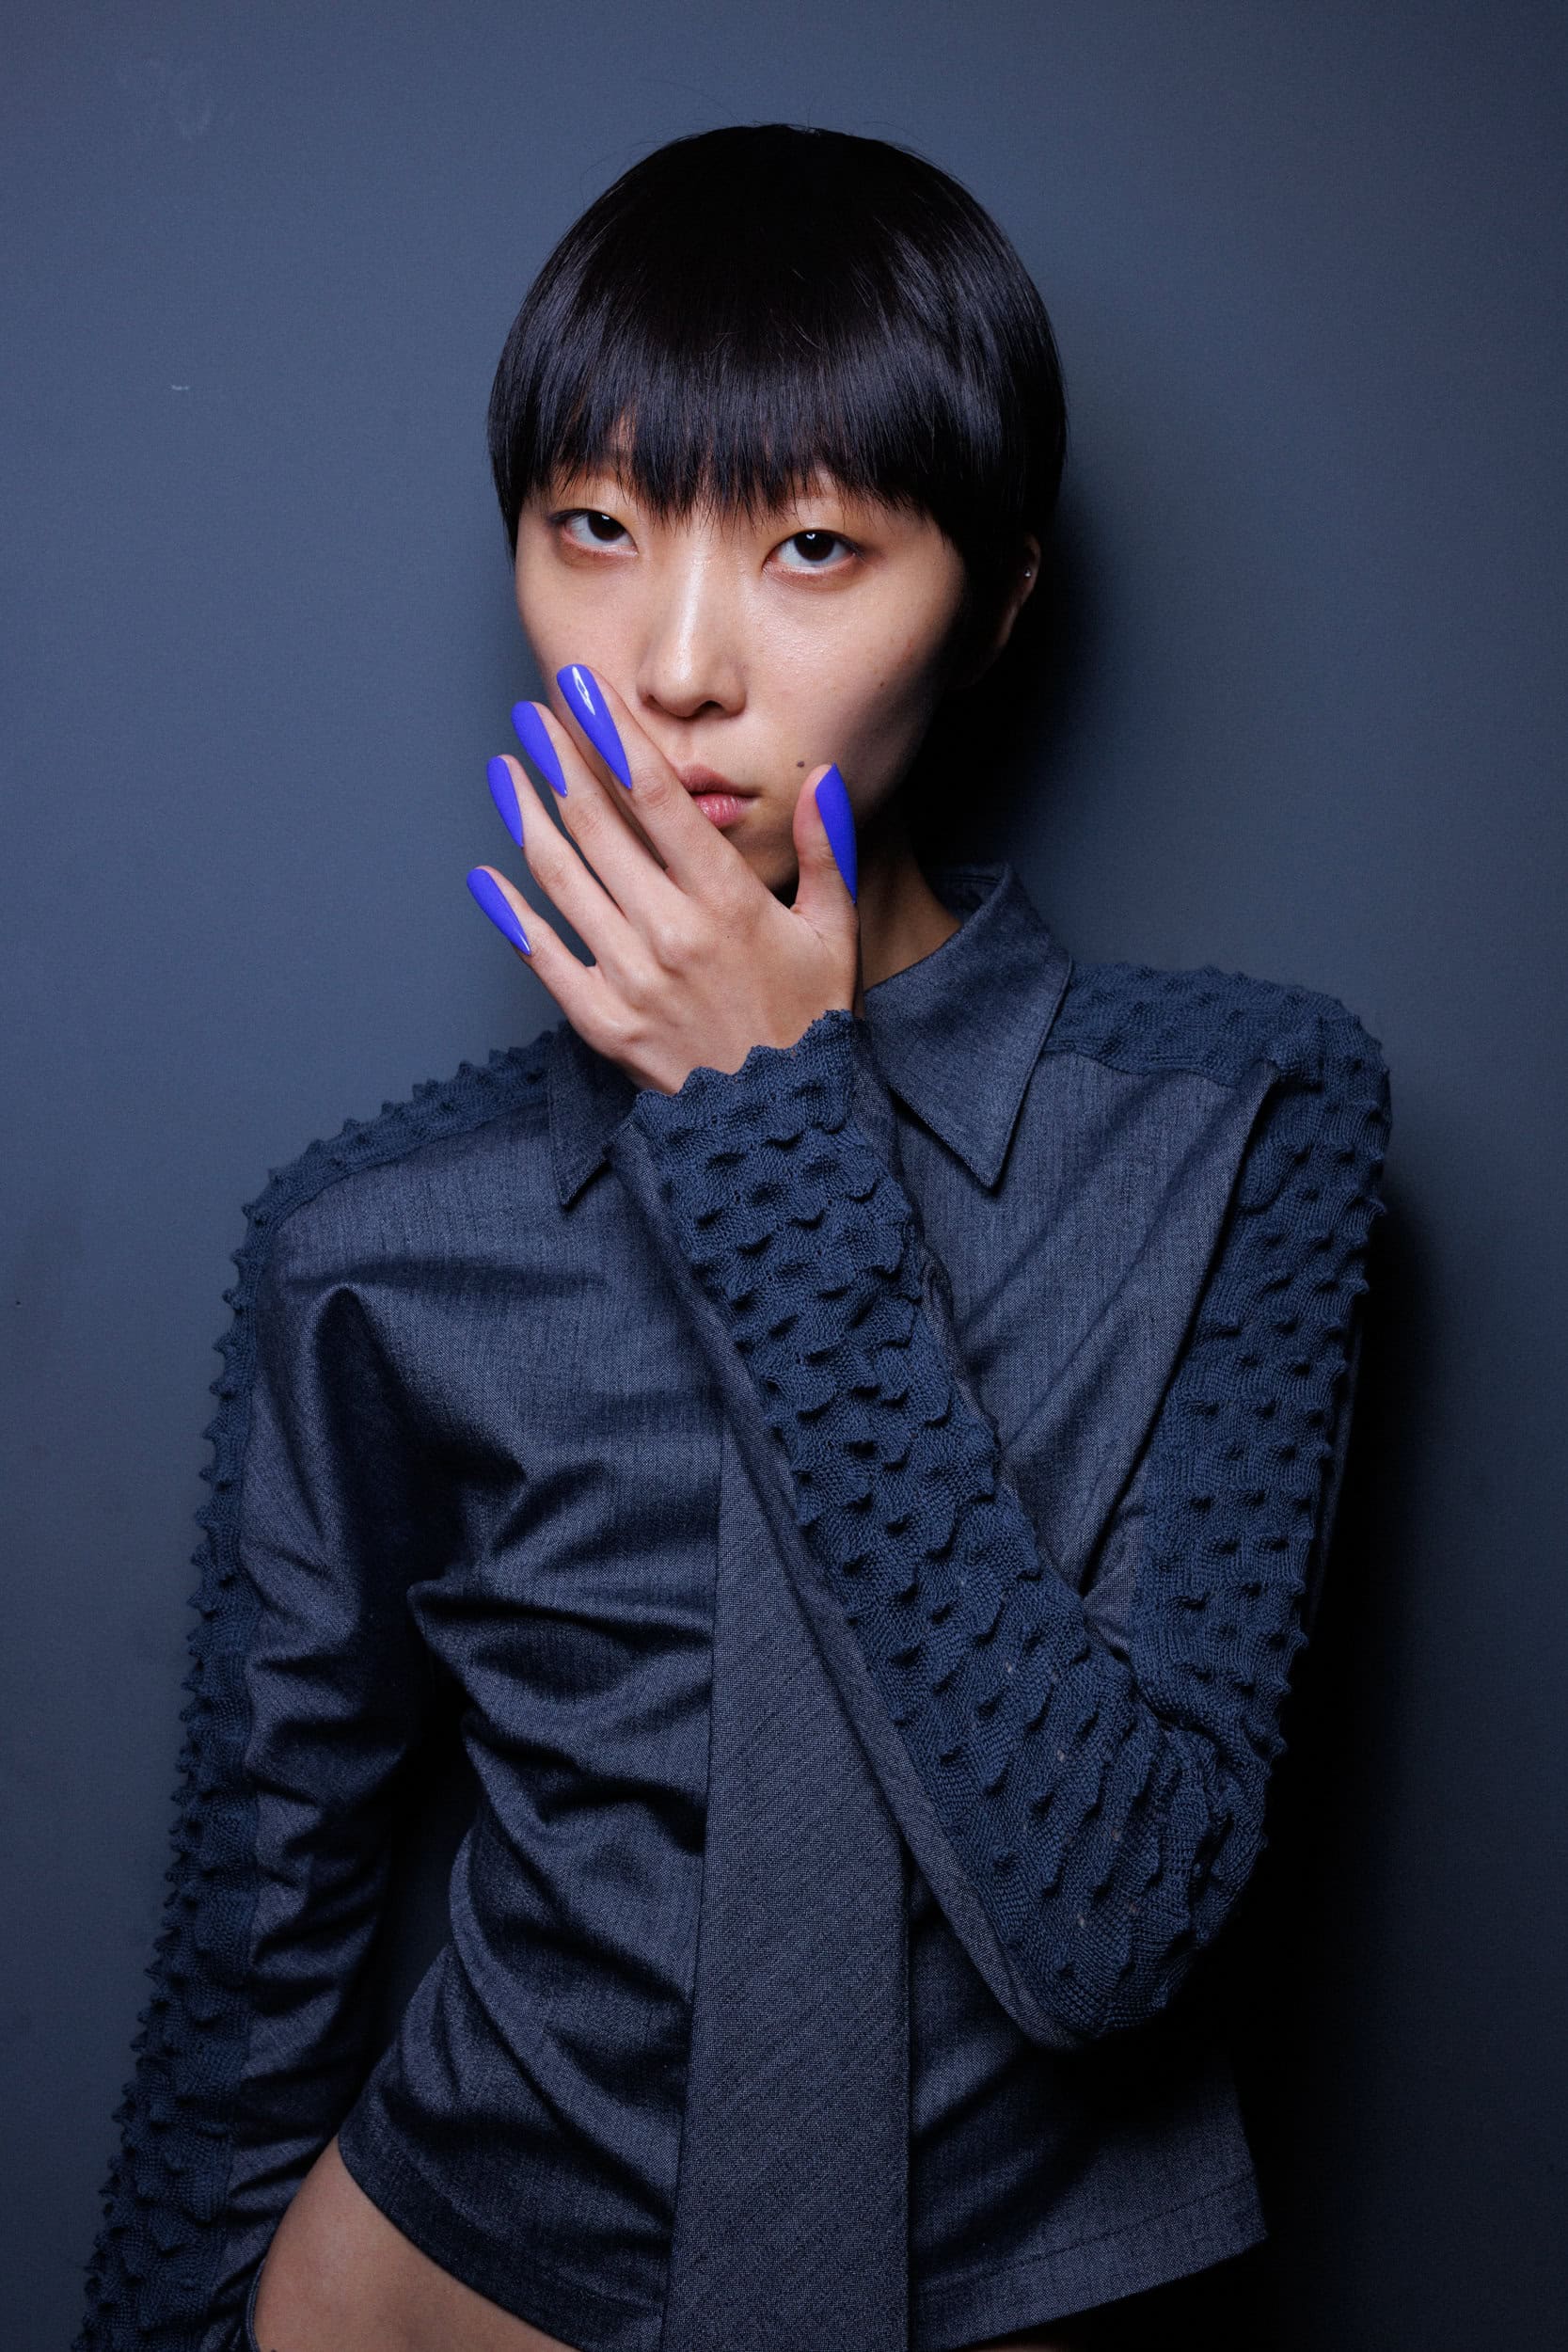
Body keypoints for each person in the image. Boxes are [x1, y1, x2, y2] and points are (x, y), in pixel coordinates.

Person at [77, 123, 1392, 2352]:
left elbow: (1112, 1926)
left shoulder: (1236, 1123)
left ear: (995, 598)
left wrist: (774, 1131)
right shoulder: (378, 1238)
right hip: (432, 2288)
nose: (676, 662)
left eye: (809, 545)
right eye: (596, 526)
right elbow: (248, 1971)